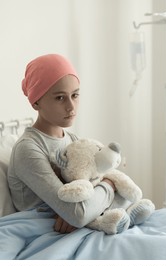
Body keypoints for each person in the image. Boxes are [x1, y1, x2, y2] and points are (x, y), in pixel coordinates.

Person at [7, 54, 127, 234]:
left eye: (75, 95)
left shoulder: (74, 141)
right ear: (36, 102)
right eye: (60, 98)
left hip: (79, 229)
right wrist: (110, 185)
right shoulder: (28, 148)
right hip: (42, 234)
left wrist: (104, 189)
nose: (71, 107)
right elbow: (78, 215)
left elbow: (120, 196)